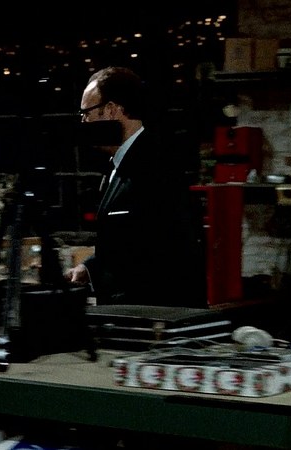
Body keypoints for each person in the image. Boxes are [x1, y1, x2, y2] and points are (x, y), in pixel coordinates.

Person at [64, 66, 204, 307]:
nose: (84, 122)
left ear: (111, 110)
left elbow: (156, 250)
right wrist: (89, 269)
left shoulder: (155, 164)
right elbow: (126, 240)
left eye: (86, 113)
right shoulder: (119, 164)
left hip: (151, 311)